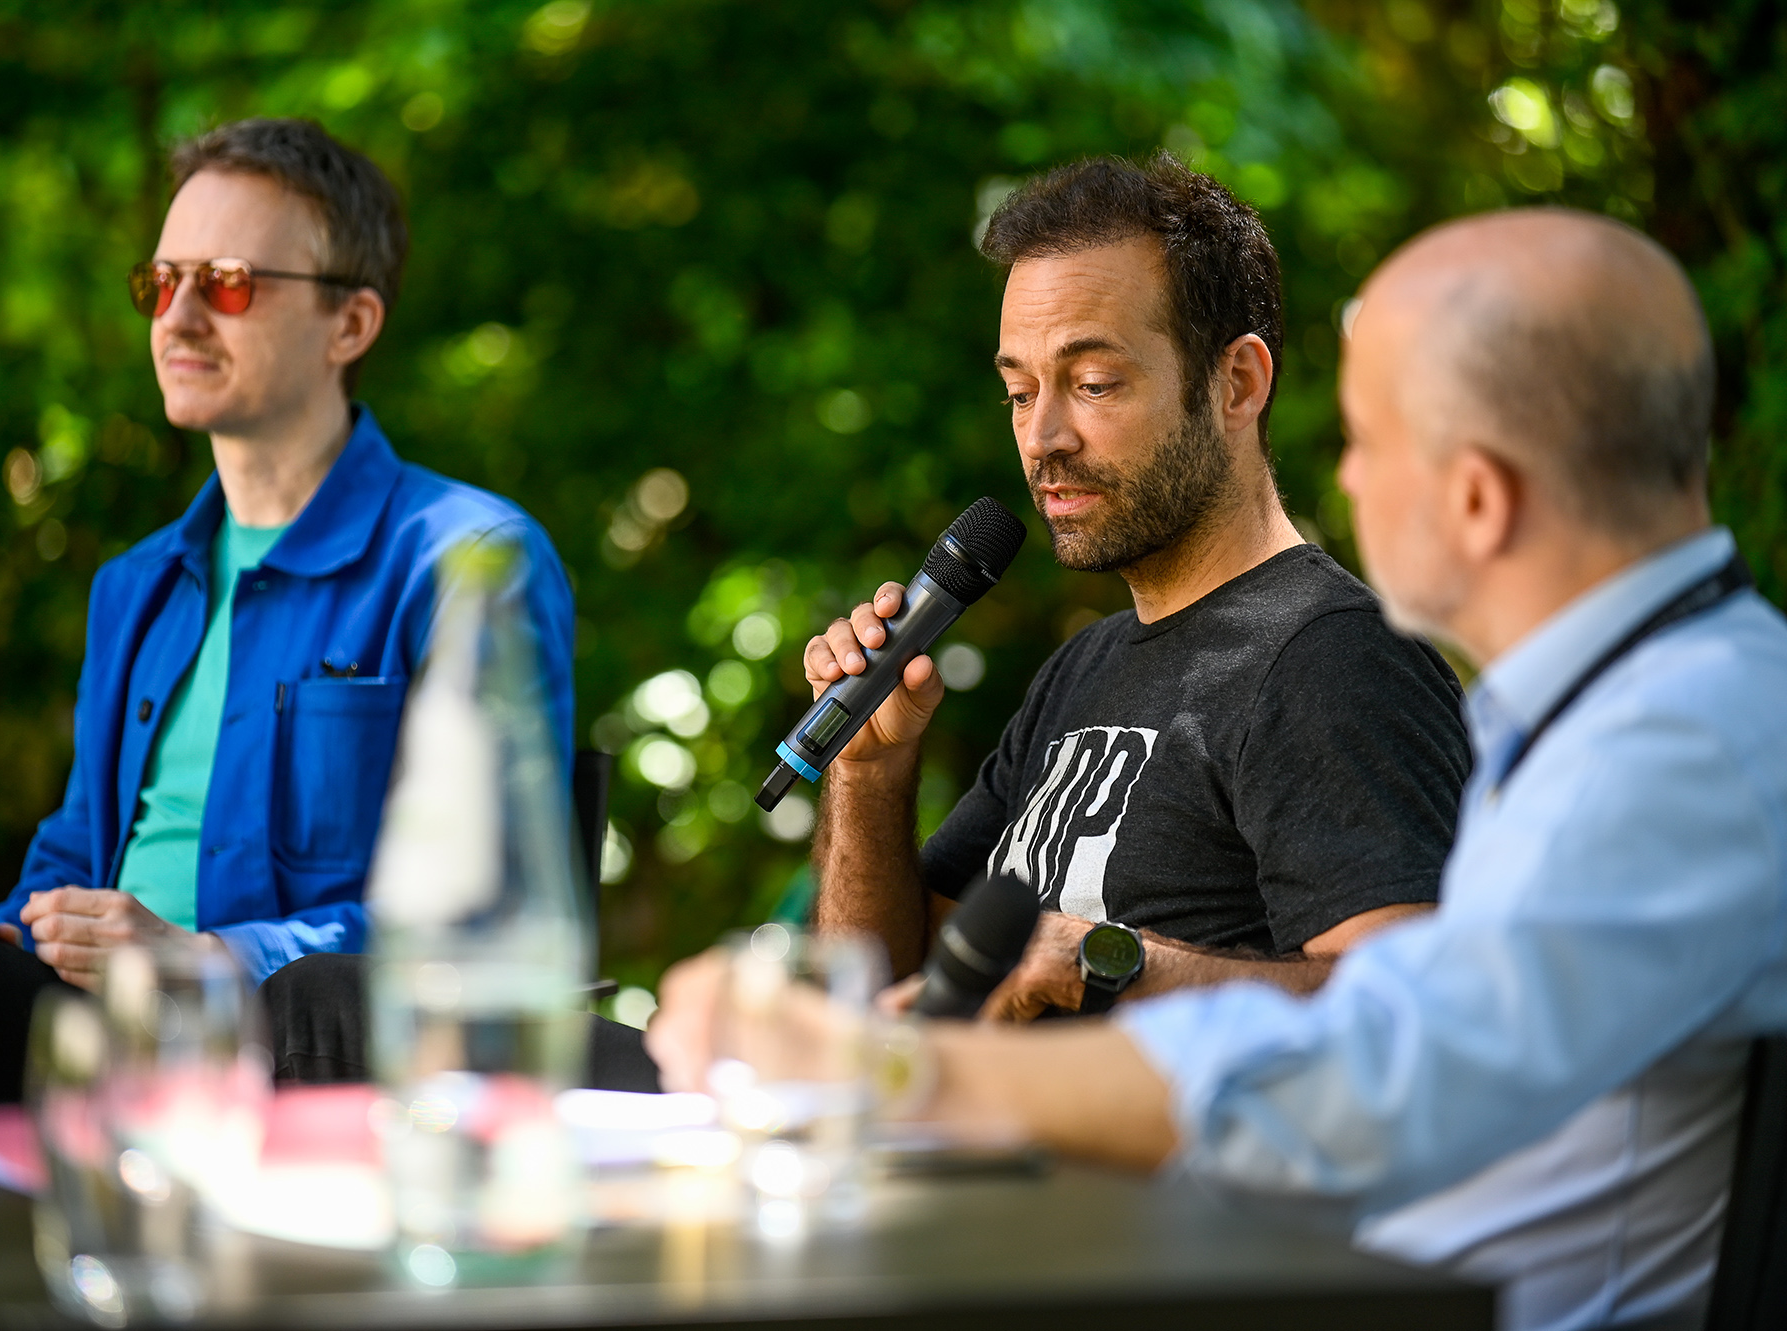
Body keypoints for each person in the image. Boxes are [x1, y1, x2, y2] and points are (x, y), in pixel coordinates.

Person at [657, 207, 1787, 1330]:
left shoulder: (1676, 742)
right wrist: (865, 787)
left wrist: (905, 1073)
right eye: (1019, 389)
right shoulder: (1594, 716)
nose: (1342, 479)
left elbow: (1378, 1058)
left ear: (1475, 495)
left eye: (1361, 439)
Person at [0, 118, 576, 1115]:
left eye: (232, 281)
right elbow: (74, 859)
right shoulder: (137, 585)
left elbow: (490, 905)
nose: (180, 316)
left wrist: (203, 955)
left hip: (278, 1042)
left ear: (351, 325)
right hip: (88, 1025)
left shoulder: (465, 559)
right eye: (162, 282)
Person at [809, 154, 1469, 1017]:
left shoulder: (1334, 660)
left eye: (1092, 383)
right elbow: (884, 989)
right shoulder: (1082, 668)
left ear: (1237, 384)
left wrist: (1115, 961)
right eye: (1018, 391)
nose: (1043, 436)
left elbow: (1416, 1019)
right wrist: (870, 773)